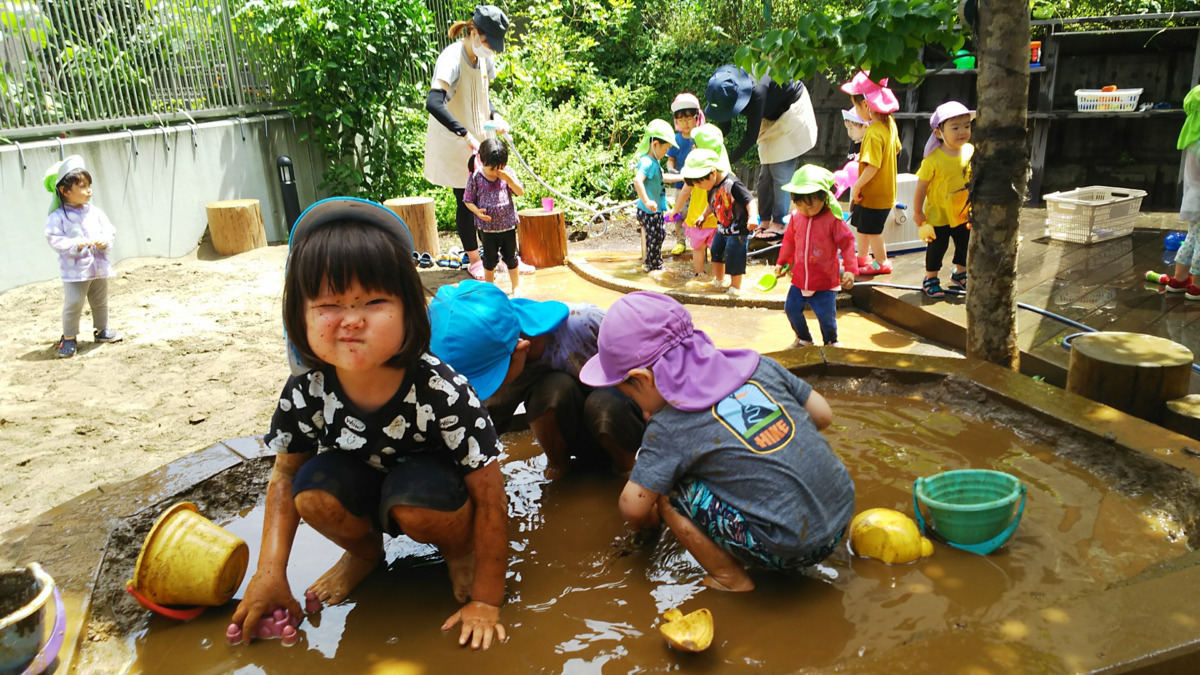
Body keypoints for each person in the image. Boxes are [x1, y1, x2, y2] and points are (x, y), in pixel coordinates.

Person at [233, 198, 509, 651]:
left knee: (416, 502)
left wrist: (487, 599)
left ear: (409, 311)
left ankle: (460, 553)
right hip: (361, 485)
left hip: (434, 497)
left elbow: (490, 495)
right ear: (298, 315)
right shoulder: (307, 388)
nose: (352, 320)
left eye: (375, 301)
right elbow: (283, 476)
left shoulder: (444, 390)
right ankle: (364, 555)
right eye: (329, 304)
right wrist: (269, 575)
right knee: (311, 490)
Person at [578, 292, 855, 592]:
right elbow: (823, 416)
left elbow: (633, 507)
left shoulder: (668, 425)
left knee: (665, 489)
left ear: (642, 379)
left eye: (631, 395)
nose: (642, 411)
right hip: (841, 518)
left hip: (787, 549)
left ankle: (729, 577)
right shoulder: (760, 366)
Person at [430, 280, 645, 479]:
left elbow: (651, 380)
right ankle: (558, 466)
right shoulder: (495, 345)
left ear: (521, 349)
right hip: (571, 432)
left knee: (604, 405)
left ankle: (627, 470)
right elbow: (478, 421)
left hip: (621, 423)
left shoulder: (587, 324)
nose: (494, 386)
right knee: (551, 391)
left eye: (493, 377)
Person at [424, 5, 511, 281]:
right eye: (489, 42)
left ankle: (490, 255)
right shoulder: (451, 58)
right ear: (473, 32)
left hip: (479, 139)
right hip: (454, 141)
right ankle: (474, 259)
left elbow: (485, 96)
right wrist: (464, 134)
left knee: (490, 195)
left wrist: (496, 116)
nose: (491, 49)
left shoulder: (485, 59)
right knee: (466, 200)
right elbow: (434, 101)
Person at [704, 65, 819, 239]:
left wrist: (726, 162)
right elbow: (723, 125)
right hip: (772, 115)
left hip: (792, 111)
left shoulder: (757, 91)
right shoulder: (727, 90)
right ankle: (764, 221)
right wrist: (713, 147)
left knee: (780, 172)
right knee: (765, 176)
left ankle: (780, 223)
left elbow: (750, 137)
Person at [43, 155, 122, 359]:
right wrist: (75, 244)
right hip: (75, 271)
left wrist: (105, 241)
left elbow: (109, 230)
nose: (89, 191)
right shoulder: (58, 216)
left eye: (89, 186)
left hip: (98, 266)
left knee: (100, 300)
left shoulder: (95, 212)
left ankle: (102, 330)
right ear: (64, 191)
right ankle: (69, 337)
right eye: (83, 186)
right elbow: (54, 239)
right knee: (74, 303)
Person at [774, 165, 858, 347]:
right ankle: (804, 338)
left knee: (826, 317)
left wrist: (850, 269)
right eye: (799, 203)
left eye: (810, 204)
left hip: (824, 282)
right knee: (791, 309)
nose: (805, 209)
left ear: (824, 197)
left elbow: (847, 242)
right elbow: (789, 241)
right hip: (800, 279)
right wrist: (782, 263)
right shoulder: (796, 217)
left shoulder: (832, 219)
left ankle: (831, 342)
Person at [913, 101, 976, 298]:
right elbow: (921, 187)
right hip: (938, 214)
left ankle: (960, 273)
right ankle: (930, 278)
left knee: (965, 244)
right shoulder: (933, 160)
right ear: (939, 133)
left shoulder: (970, 151)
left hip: (963, 213)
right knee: (937, 247)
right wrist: (917, 212)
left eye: (966, 126)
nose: (962, 132)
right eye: (955, 128)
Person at [842, 71, 901, 276]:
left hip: (873, 195)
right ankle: (862, 258)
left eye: (857, 106)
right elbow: (895, 150)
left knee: (872, 231)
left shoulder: (874, 133)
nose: (856, 111)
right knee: (861, 225)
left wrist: (857, 186)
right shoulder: (890, 124)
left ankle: (881, 263)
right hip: (882, 192)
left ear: (866, 105)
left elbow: (873, 166)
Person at [681, 148, 760, 295]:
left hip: (738, 230)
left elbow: (749, 200)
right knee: (716, 252)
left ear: (712, 173)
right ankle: (719, 280)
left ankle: (736, 287)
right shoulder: (710, 185)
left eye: (700, 183)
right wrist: (704, 216)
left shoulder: (732, 184)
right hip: (722, 228)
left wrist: (753, 217)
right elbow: (713, 203)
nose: (699, 187)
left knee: (734, 256)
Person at [463, 138, 525, 295]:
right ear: (482, 161)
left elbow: (520, 192)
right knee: (489, 260)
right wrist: (477, 212)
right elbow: (467, 200)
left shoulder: (507, 174)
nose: (497, 172)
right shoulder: (476, 177)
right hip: (487, 229)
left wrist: (509, 179)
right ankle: (489, 288)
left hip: (508, 225)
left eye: (500, 168)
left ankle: (515, 286)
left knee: (511, 257)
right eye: (493, 169)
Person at [668, 122, 725, 279]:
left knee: (698, 249)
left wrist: (675, 210)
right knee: (717, 251)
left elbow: (685, 191)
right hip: (716, 219)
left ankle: (699, 274)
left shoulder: (695, 170)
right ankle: (718, 277)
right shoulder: (719, 169)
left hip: (696, 218)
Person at [1163, 84, 1200, 298]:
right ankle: (1197, 288)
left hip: (1193, 199)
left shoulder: (1192, 136)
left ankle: (1179, 280)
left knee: (1192, 238)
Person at [633, 119, 681, 274]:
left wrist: (682, 178)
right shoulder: (647, 162)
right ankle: (653, 267)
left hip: (654, 209)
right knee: (655, 236)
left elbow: (662, 178)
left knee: (659, 234)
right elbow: (637, 180)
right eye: (665, 149)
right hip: (649, 210)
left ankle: (653, 264)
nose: (666, 153)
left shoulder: (653, 161)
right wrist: (647, 201)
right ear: (655, 144)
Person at [665, 93, 704, 256]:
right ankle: (680, 242)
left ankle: (700, 241)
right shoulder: (676, 139)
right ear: (676, 122)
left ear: (696, 117)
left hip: (699, 185)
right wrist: (671, 168)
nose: (685, 123)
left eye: (688, 119)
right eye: (681, 120)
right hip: (680, 183)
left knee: (696, 212)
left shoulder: (701, 137)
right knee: (678, 213)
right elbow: (670, 159)